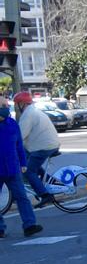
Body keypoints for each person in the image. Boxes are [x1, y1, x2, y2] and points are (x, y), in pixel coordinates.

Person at [0, 95, 42, 238]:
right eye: (3, 106)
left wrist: (23, 163)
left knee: (22, 197)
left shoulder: (12, 124)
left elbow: (19, 146)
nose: (7, 109)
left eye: (7, 106)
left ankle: (30, 225)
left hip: (13, 168)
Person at [13, 92, 61, 209]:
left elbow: (20, 136)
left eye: (16, 104)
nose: (15, 106)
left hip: (43, 147)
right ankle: (52, 182)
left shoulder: (27, 115)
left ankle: (44, 195)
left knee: (29, 171)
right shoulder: (33, 111)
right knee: (29, 160)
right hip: (47, 145)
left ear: (22, 104)